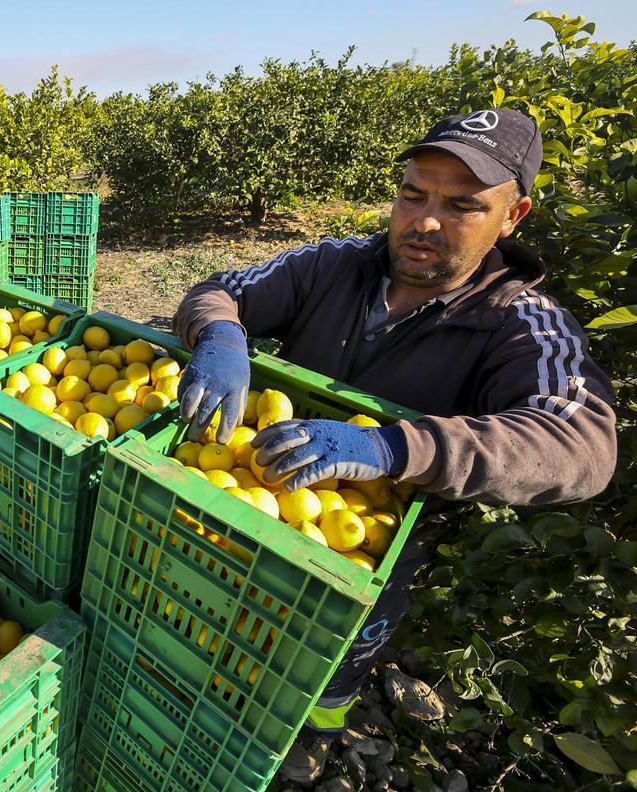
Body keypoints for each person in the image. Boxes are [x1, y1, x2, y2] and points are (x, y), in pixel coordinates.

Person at [171, 108, 618, 782]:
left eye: (462, 205)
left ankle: (315, 731)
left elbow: (581, 445)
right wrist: (220, 334)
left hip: (371, 541)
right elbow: (221, 291)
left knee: (334, 651)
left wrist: (395, 448)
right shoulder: (334, 263)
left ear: (513, 215)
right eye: (414, 195)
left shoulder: (521, 323)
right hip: (255, 496)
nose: (425, 221)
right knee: (231, 616)